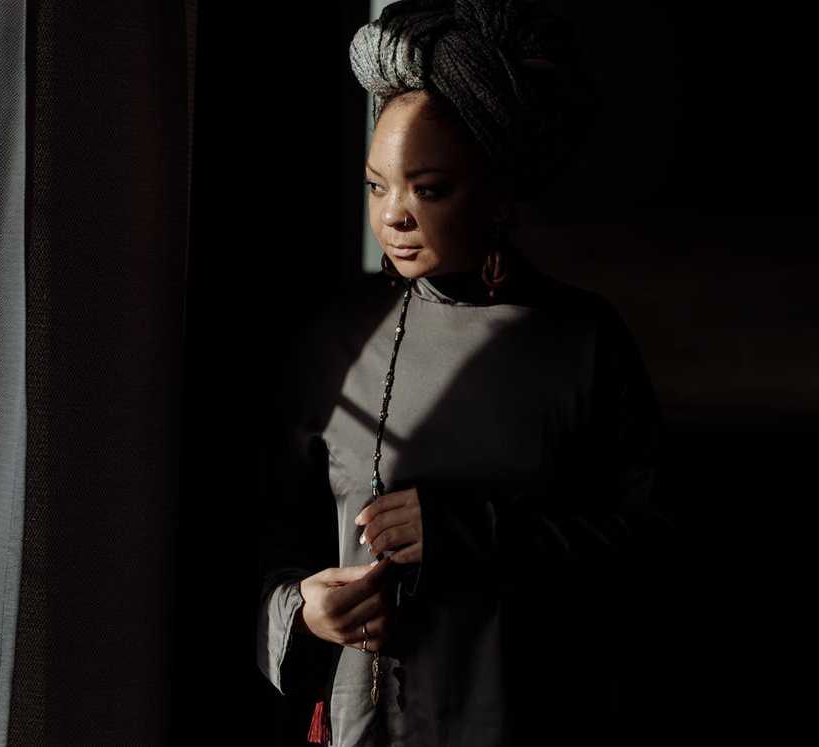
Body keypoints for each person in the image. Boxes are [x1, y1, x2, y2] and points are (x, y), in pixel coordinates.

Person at [256, 1, 673, 744]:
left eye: (429, 187)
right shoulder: (332, 342)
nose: (395, 216)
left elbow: (647, 554)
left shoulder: (583, 344)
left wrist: (467, 532)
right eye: (376, 186)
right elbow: (260, 542)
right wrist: (301, 609)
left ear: (498, 192)